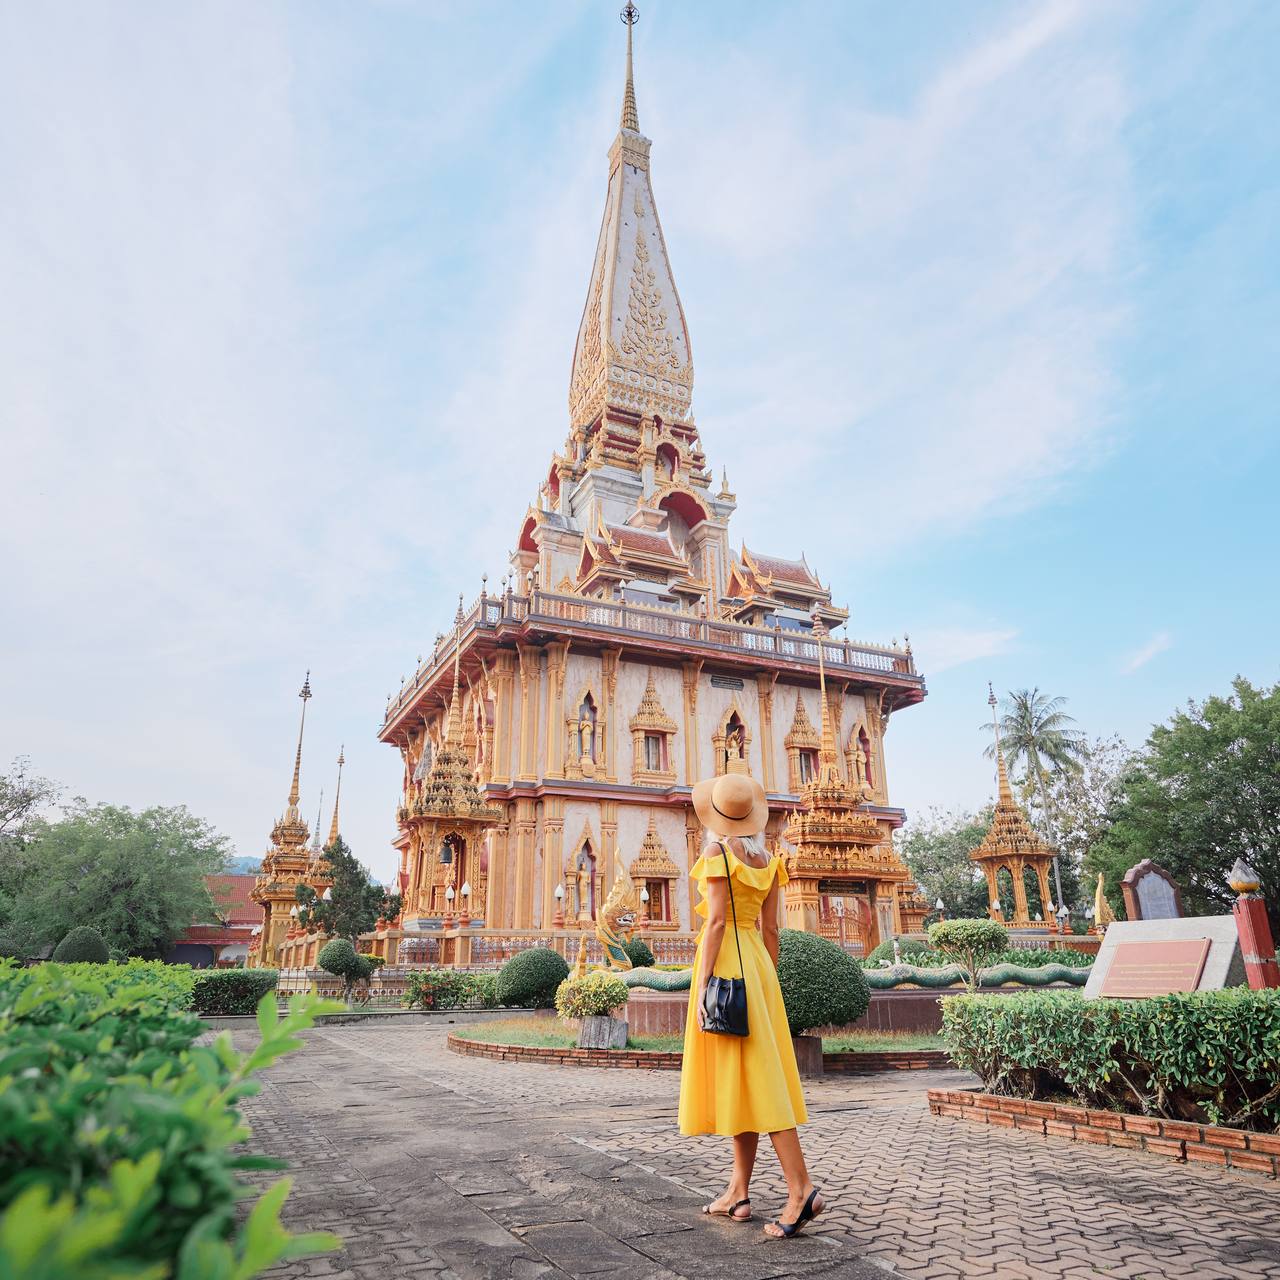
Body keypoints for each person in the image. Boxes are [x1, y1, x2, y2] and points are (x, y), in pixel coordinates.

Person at [677, 766, 825, 1240]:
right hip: (759, 970)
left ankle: (801, 1189)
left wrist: (701, 986)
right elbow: (773, 931)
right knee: (747, 1079)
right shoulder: (768, 859)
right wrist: (768, 986)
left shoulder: (716, 852)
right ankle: (739, 1191)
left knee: (760, 1082)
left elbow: (716, 924)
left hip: (726, 968)